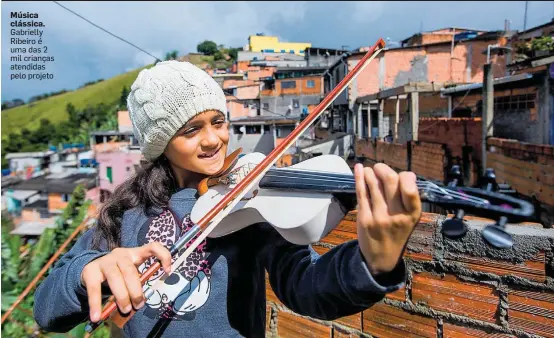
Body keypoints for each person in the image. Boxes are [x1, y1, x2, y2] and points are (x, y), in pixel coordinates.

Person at [34, 61, 421, 338]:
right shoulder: (126, 215)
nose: (214, 140)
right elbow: (47, 311)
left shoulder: (249, 207)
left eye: (218, 122)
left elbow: (306, 286)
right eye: (191, 130)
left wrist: (370, 262)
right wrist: (89, 273)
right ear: (160, 143)